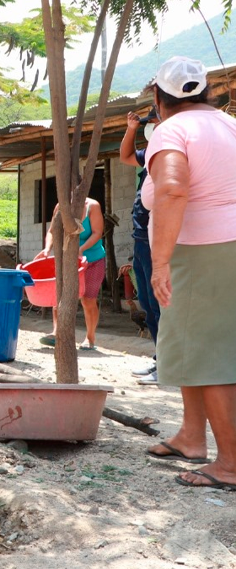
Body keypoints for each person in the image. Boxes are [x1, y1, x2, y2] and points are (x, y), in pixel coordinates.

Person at [141, 56, 236, 490]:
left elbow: (173, 187)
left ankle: (230, 464)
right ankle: (191, 438)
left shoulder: (171, 130)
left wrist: (160, 261)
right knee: (189, 343)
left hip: (203, 250)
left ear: (160, 99)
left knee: (209, 352)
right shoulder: (228, 124)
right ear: (205, 92)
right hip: (221, 247)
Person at [119, 109, 161, 384]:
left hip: (159, 237)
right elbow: (125, 156)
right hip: (142, 238)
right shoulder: (150, 152)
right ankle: (160, 357)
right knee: (146, 300)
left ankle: (167, 363)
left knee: (159, 302)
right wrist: (131, 128)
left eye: (152, 121)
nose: (151, 126)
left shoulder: (172, 149)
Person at [35, 197, 106, 350]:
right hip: (67, 259)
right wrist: (47, 249)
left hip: (92, 259)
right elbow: (52, 231)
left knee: (88, 299)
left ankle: (90, 338)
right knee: (58, 295)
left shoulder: (92, 206)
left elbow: (97, 233)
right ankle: (56, 333)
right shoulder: (60, 206)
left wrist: (80, 250)